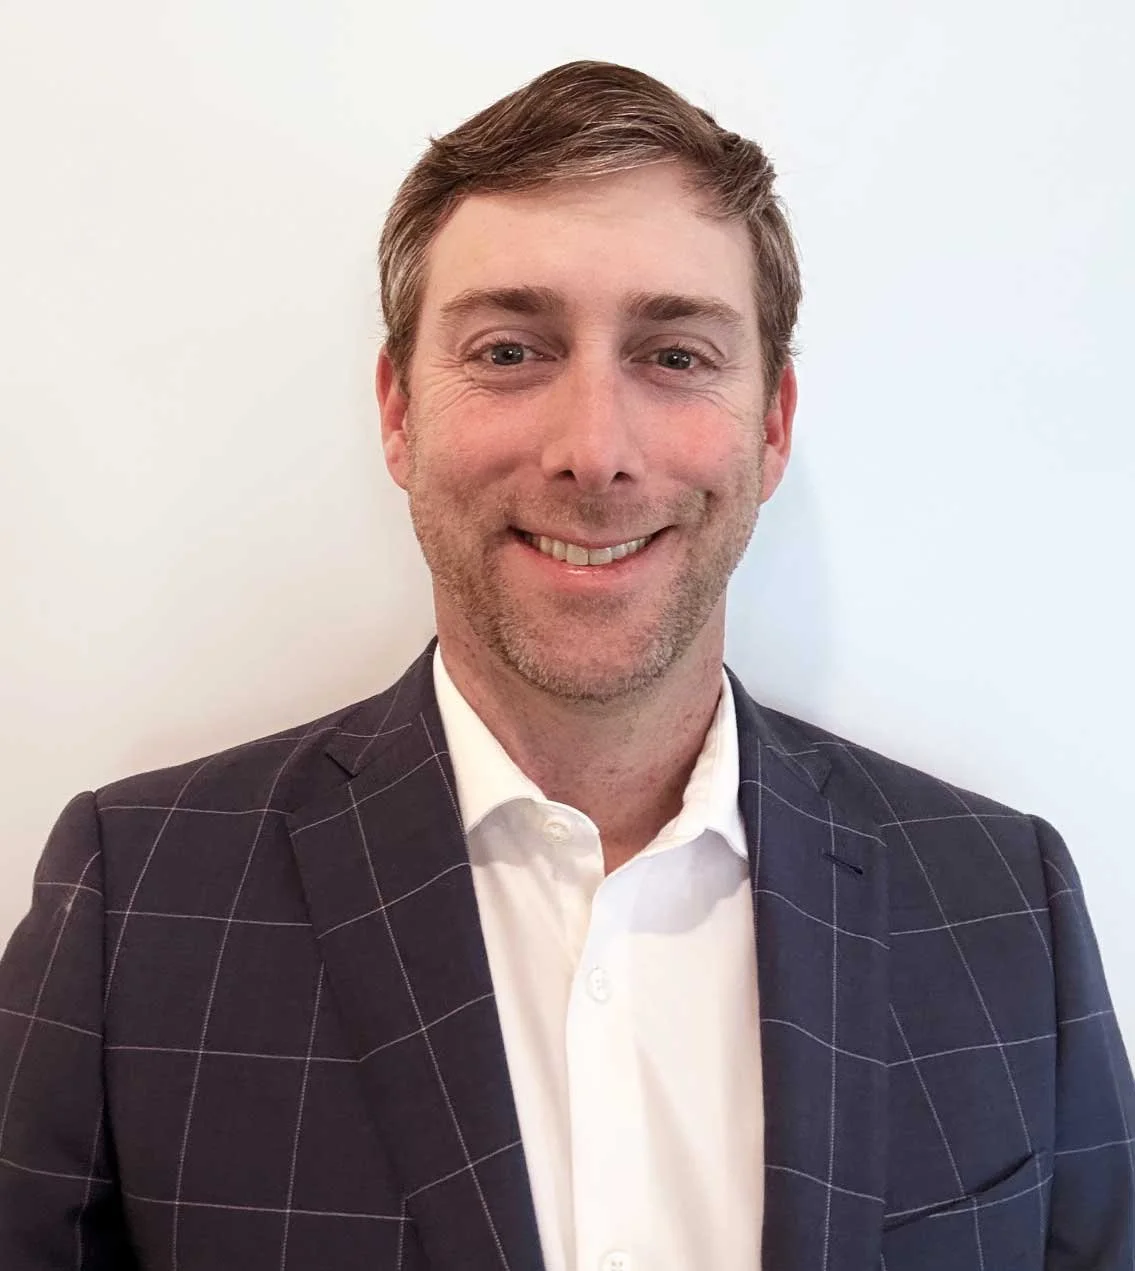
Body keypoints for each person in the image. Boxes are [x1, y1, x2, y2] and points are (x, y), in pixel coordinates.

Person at [0, 59, 1131, 1271]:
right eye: (508, 351)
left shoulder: (1002, 901)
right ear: (398, 411)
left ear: (771, 425)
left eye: (675, 355)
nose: (593, 450)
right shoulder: (137, 901)